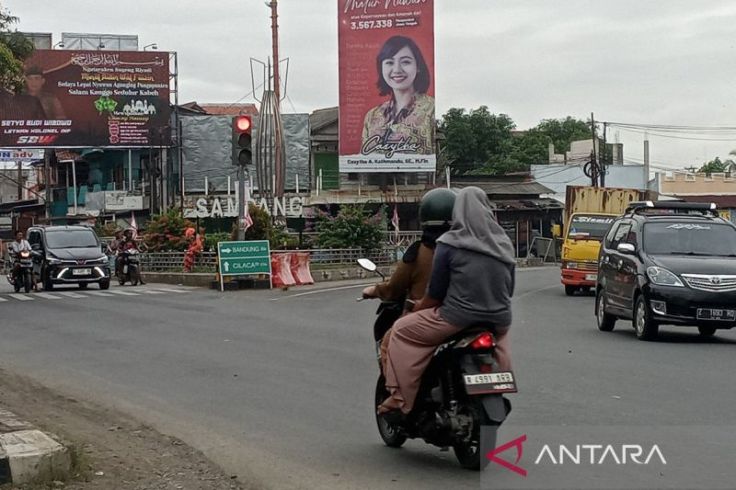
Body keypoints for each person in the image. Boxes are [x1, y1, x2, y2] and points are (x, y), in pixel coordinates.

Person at [378, 187, 516, 415]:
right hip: (499, 320)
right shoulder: (503, 243)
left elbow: (436, 293)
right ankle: (499, 383)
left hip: (456, 318)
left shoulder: (449, 244)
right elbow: (509, 289)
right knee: (501, 343)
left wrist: (417, 308)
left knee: (400, 330)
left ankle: (400, 396)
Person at [362, 188, 456, 307]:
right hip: (468, 316)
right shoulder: (469, 248)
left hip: (425, 314)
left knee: (400, 326)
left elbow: (395, 287)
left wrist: (374, 290)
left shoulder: (418, 252)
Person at [361, 36, 435, 156]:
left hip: (419, 175)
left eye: (405, 62)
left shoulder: (431, 109)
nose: (397, 69)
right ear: (381, 68)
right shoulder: (372, 116)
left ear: (418, 67)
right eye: (389, 62)